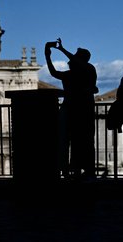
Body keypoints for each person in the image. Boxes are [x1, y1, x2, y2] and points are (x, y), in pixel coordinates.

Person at [45, 38, 98, 180]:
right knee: (82, 139)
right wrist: (50, 54)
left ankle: (76, 169)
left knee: (76, 139)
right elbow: (54, 72)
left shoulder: (86, 69)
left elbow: (54, 72)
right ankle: (81, 169)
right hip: (82, 109)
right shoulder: (85, 70)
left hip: (75, 109)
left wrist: (55, 52)